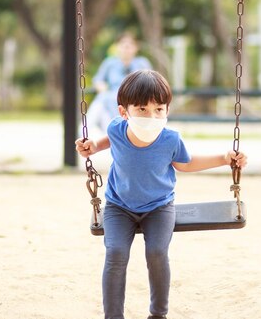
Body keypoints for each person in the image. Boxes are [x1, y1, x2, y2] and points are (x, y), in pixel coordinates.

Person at [75, 69, 248, 319]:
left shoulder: (170, 139)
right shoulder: (117, 128)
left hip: (159, 207)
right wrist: (93, 147)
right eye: (142, 109)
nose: (151, 116)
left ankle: (158, 314)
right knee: (115, 253)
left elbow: (186, 164)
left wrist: (224, 159)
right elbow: (108, 140)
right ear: (124, 112)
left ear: (167, 110)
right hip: (118, 206)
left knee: (156, 252)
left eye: (159, 109)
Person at [88, 33, 152, 134]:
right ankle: (83, 134)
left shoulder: (142, 63)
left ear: (136, 47)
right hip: (111, 100)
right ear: (117, 46)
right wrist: (101, 87)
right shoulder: (109, 63)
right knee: (100, 103)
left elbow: (152, 82)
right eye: (123, 44)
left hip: (135, 102)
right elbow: (98, 80)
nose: (126, 47)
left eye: (130, 44)